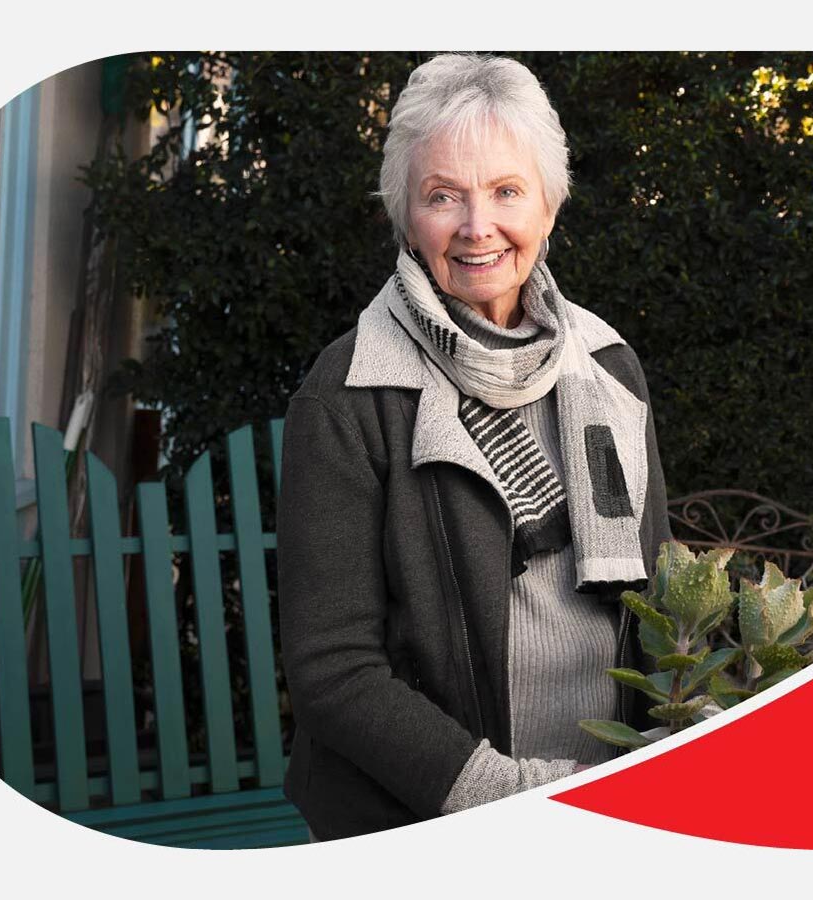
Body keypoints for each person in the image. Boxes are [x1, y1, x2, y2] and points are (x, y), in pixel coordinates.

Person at [277, 52, 672, 842]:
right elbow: (333, 670)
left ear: (549, 207)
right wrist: (515, 797)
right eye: (442, 196)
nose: (476, 226)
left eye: (506, 191)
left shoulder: (607, 365)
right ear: (405, 214)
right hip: (426, 821)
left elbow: (663, 591)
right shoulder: (348, 392)